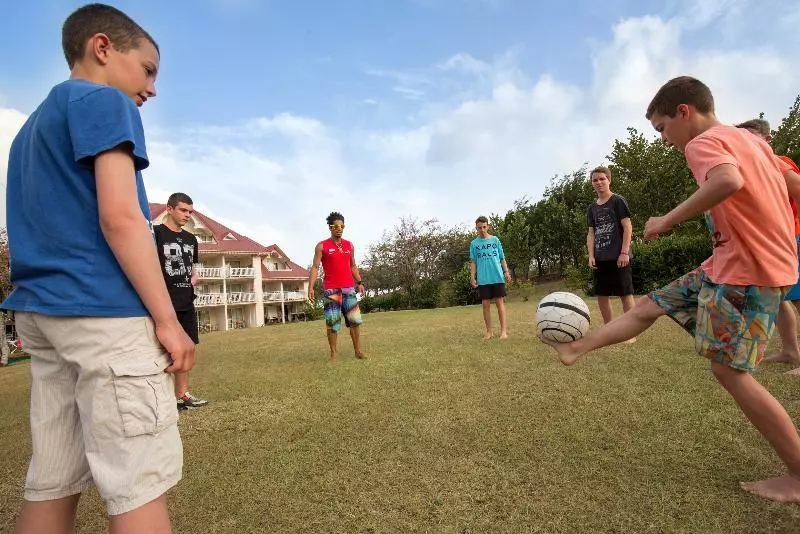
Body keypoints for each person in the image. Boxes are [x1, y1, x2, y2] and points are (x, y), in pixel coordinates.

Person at [542, 76, 800, 502]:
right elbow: (790, 187)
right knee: (650, 304)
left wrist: (665, 221)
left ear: (684, 111)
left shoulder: (704, 142)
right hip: (731, 263)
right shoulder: (751, 140)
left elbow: (728, 182)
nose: (663, 140)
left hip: (746, 272)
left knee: (729, 371)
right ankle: (576, 349)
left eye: (662, 128)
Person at [3, 4, 195, 533]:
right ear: (103, 47)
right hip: (103, 316)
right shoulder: (105, 101)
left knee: (52, 483)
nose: (152, 89)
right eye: (148, 69)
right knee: (137, 486)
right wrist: (167, 319)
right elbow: (121, 217)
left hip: (43, 317)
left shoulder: (30, 130)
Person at [735, 119, 800, 376]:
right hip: (774, 241)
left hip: (792, 238)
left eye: (751, 138)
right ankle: (791, 350)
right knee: (782, 297)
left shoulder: (775, 162)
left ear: (767, 140)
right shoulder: (752, 168)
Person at [155, 192, 209, 410]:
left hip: (186, 299)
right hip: (162, 301)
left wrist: (194, 277)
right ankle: (162, 398)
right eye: (183, 210)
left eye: (190, 211)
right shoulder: (156, 233)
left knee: (187, 348)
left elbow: (191, 268)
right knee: (161, 350)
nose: (187, 215)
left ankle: (181, 395)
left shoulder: (191, 239)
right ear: (169, 209)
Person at [308, 212, 366, 362]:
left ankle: (358, 351)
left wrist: (359, 282)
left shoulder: (349, 245)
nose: (339, 229)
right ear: (330, 227)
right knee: (332, 324)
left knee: (354, 322)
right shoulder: (322, 246)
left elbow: (353, 265)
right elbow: (315, 267)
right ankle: (334, 354)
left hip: (349, 289)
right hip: (331, 290)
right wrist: (311, 287)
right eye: (336, 226)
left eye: (342, 226)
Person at [587, 167, 636, 341]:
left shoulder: (618, 201)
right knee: (602, 295)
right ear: (592, 183)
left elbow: (627, 226)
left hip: (619, 257)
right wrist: (591, 255)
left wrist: (624, 252)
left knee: (625, 294)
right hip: (600, 258)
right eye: (595, 180)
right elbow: (591, 233)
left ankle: (630, 333)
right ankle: (609, 330)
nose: (599, 182)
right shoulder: (592, 208)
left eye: (602, 179)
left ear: (609, 180)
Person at [469, 216, 512, 340]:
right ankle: (489, 332)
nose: (482, 230)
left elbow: (502, 258)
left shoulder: (495, 240)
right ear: (476, 228)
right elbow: (473, 262)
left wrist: (506, 272)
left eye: (484, 227)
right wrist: (473, 277)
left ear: (488, 226)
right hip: (483, 279)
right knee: (485, 304)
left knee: (500, 303)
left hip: (497, 277)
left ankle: (503, 332)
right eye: (479, 228)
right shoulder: (474, 244)